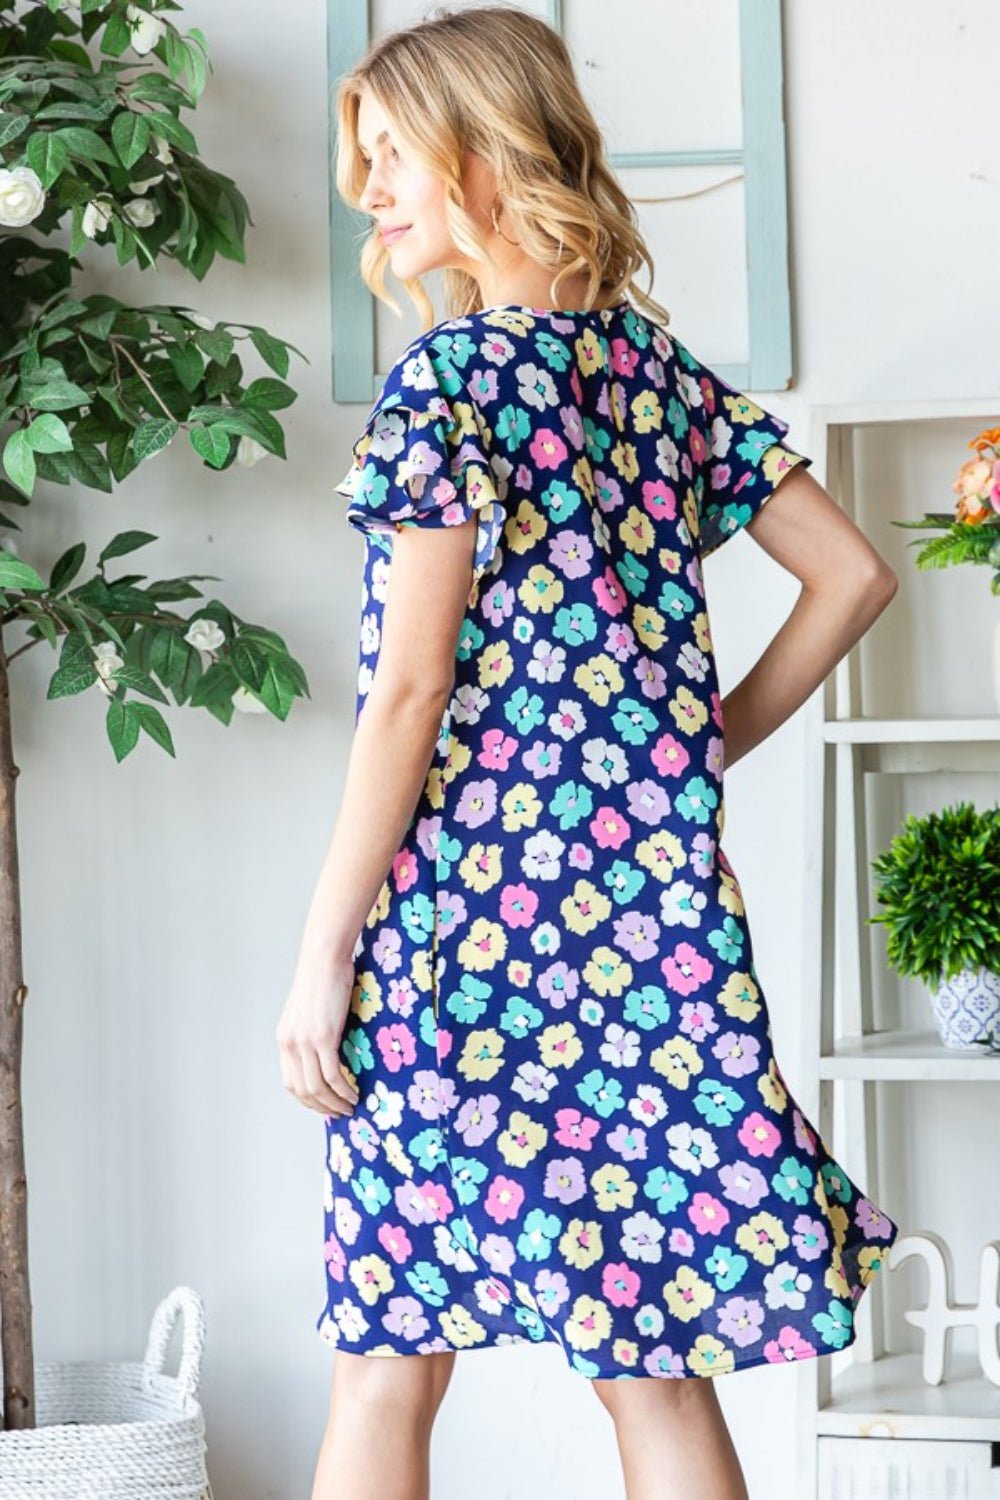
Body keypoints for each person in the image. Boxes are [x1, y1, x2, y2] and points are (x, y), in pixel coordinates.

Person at [275, 7, 901, 1498]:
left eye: (393, 156)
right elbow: (856, 575)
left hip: (463, 933)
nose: (370, 191)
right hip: (647, 932)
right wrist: (689, 750)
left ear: (485, 156)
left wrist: (323, 947)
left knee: (386, 1364)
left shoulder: (448, 383)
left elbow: (411, 690)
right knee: (655, 1372)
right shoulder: (653, 373)